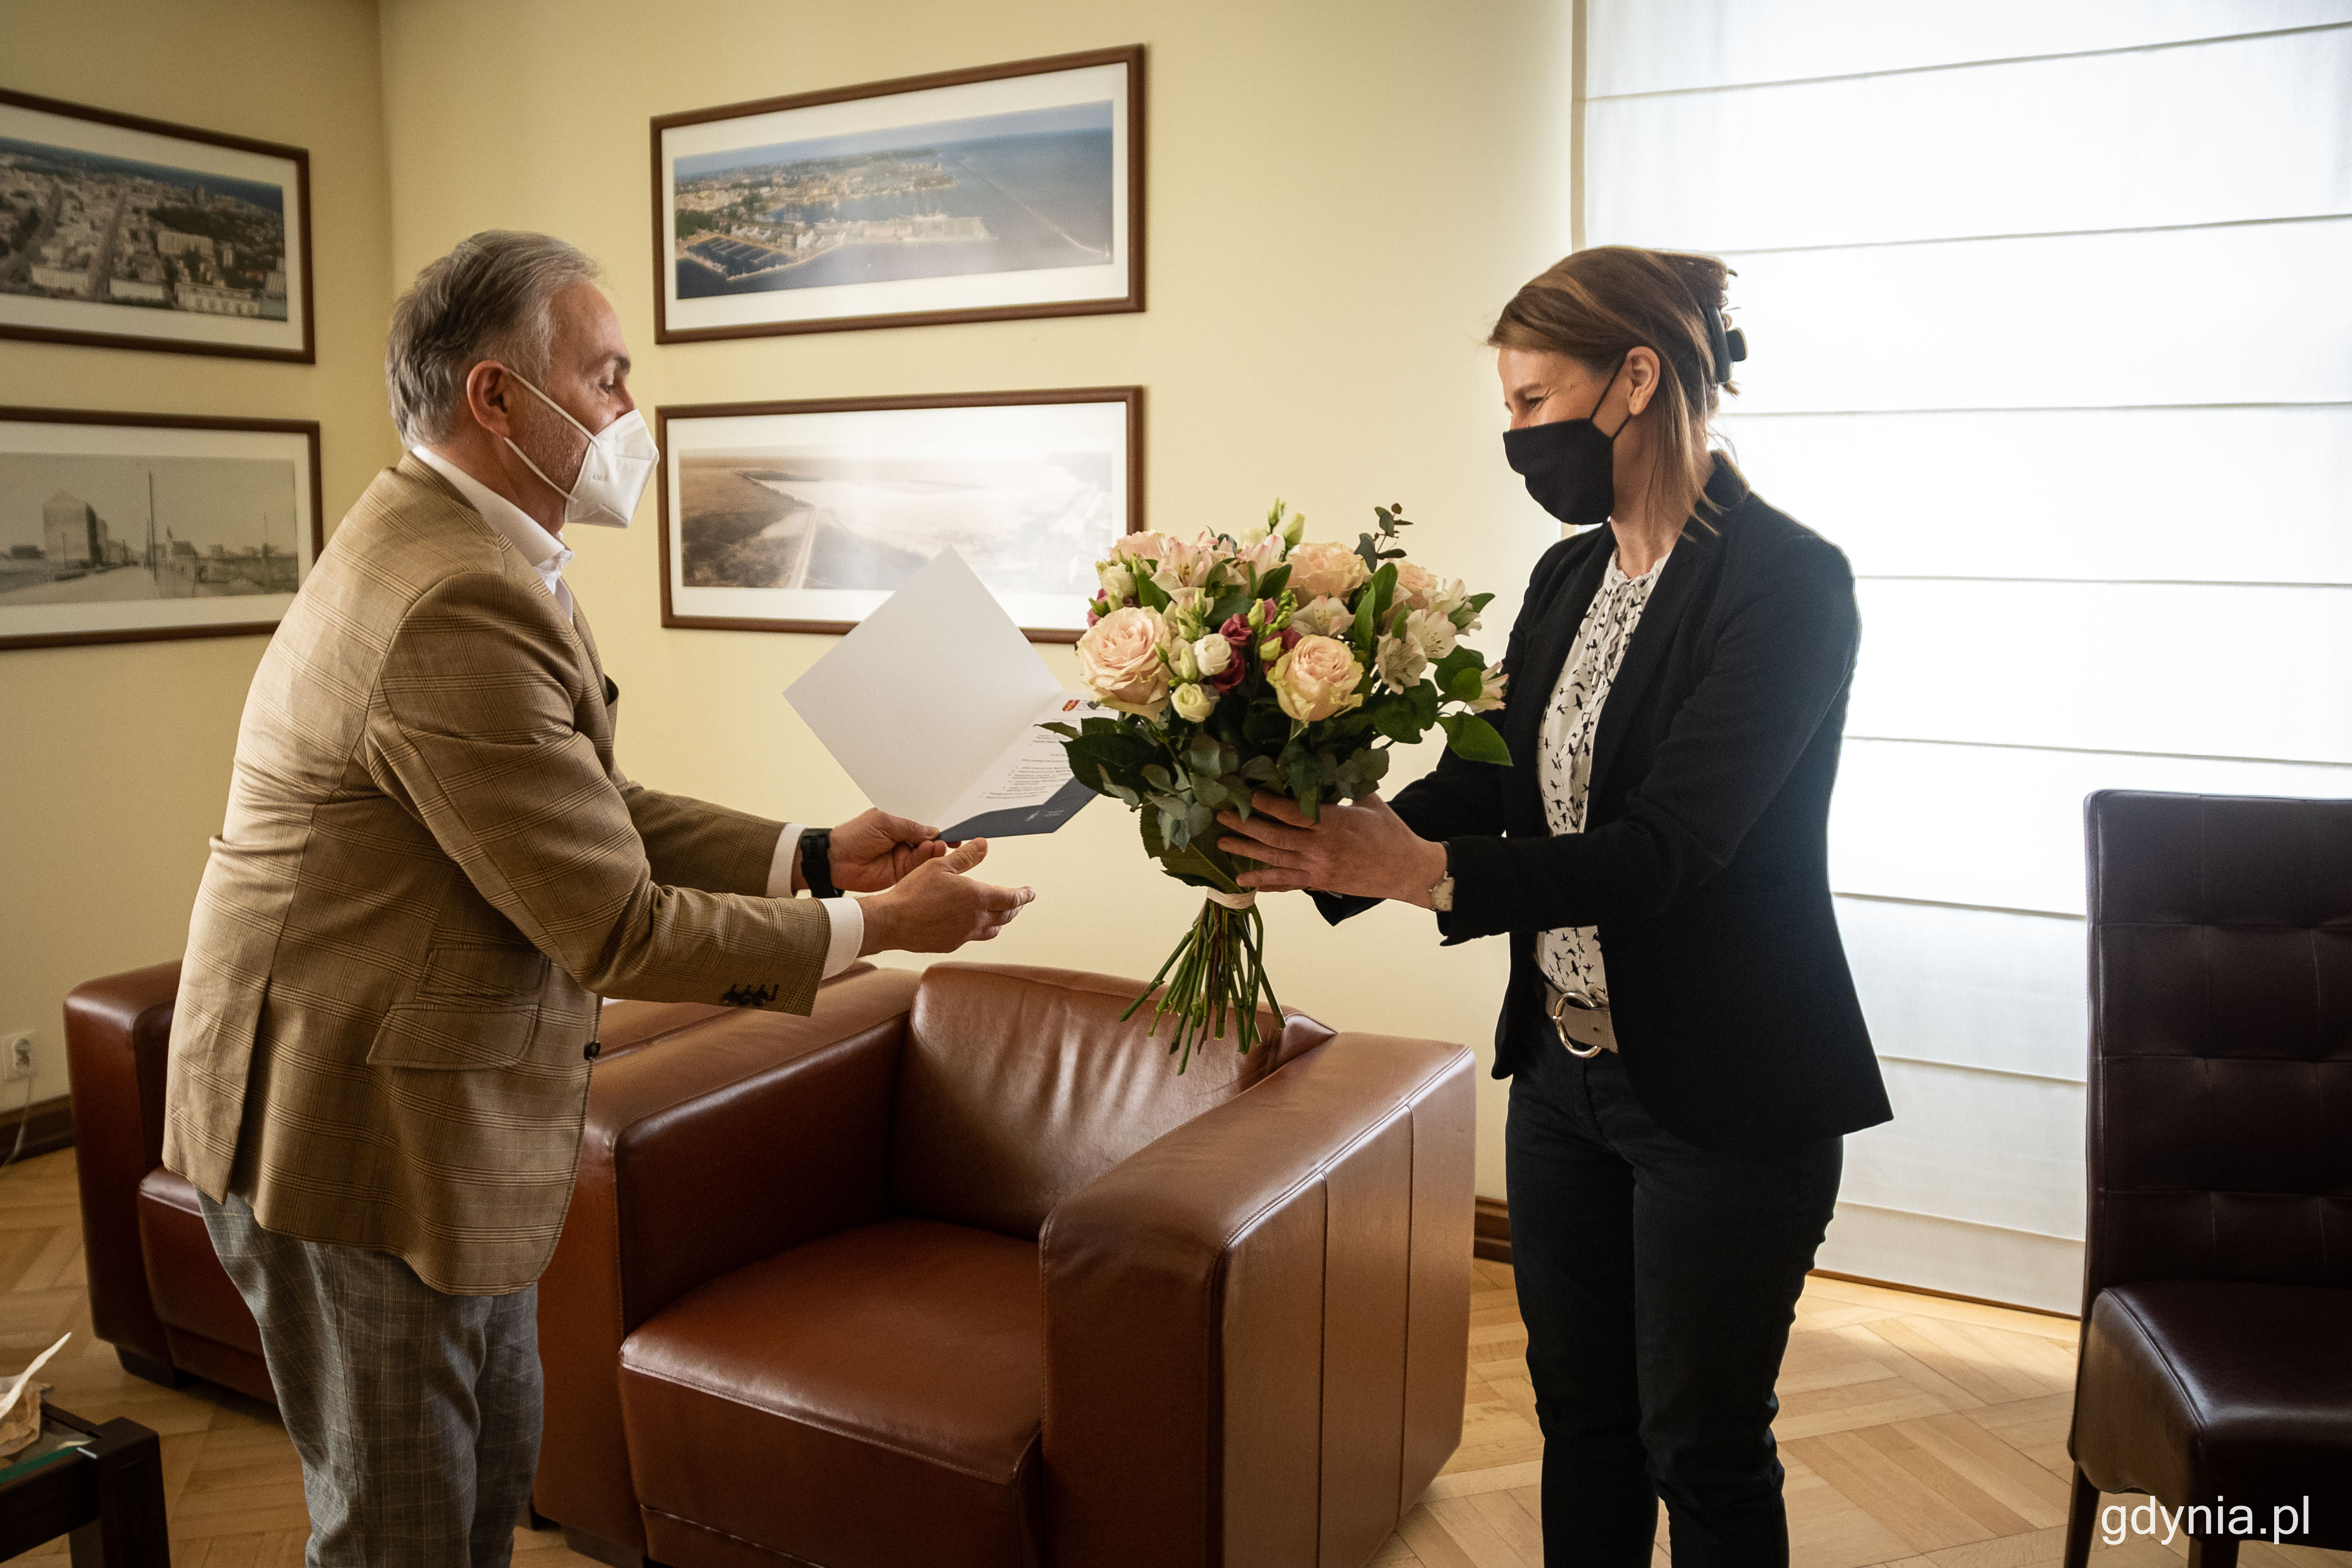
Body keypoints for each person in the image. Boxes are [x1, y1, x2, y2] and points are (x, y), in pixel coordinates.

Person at [160, 230, 1034, 1568]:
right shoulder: (449, 594)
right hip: (347, 1132)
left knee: (482, 1493)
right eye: (608, 376)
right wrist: (880, 930)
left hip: (441, 1115)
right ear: (497, 397)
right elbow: (614, 927)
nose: (634, 412)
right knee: (402, 1537)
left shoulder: (480, 551)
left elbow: (587, 807)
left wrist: (815, 854)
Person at [1215, 245, 1892, 1567]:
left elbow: (1667, 853)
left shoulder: (1787, 583)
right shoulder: (1565, 581)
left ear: (1635, 379)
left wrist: (1416, 874)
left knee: (1700, 1443)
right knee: (1583, 1419)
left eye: (1533, 402)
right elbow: (1485, 785)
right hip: (1564, 1078)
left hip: (1728, 1094)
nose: (1517, 435)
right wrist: (1309, 840)